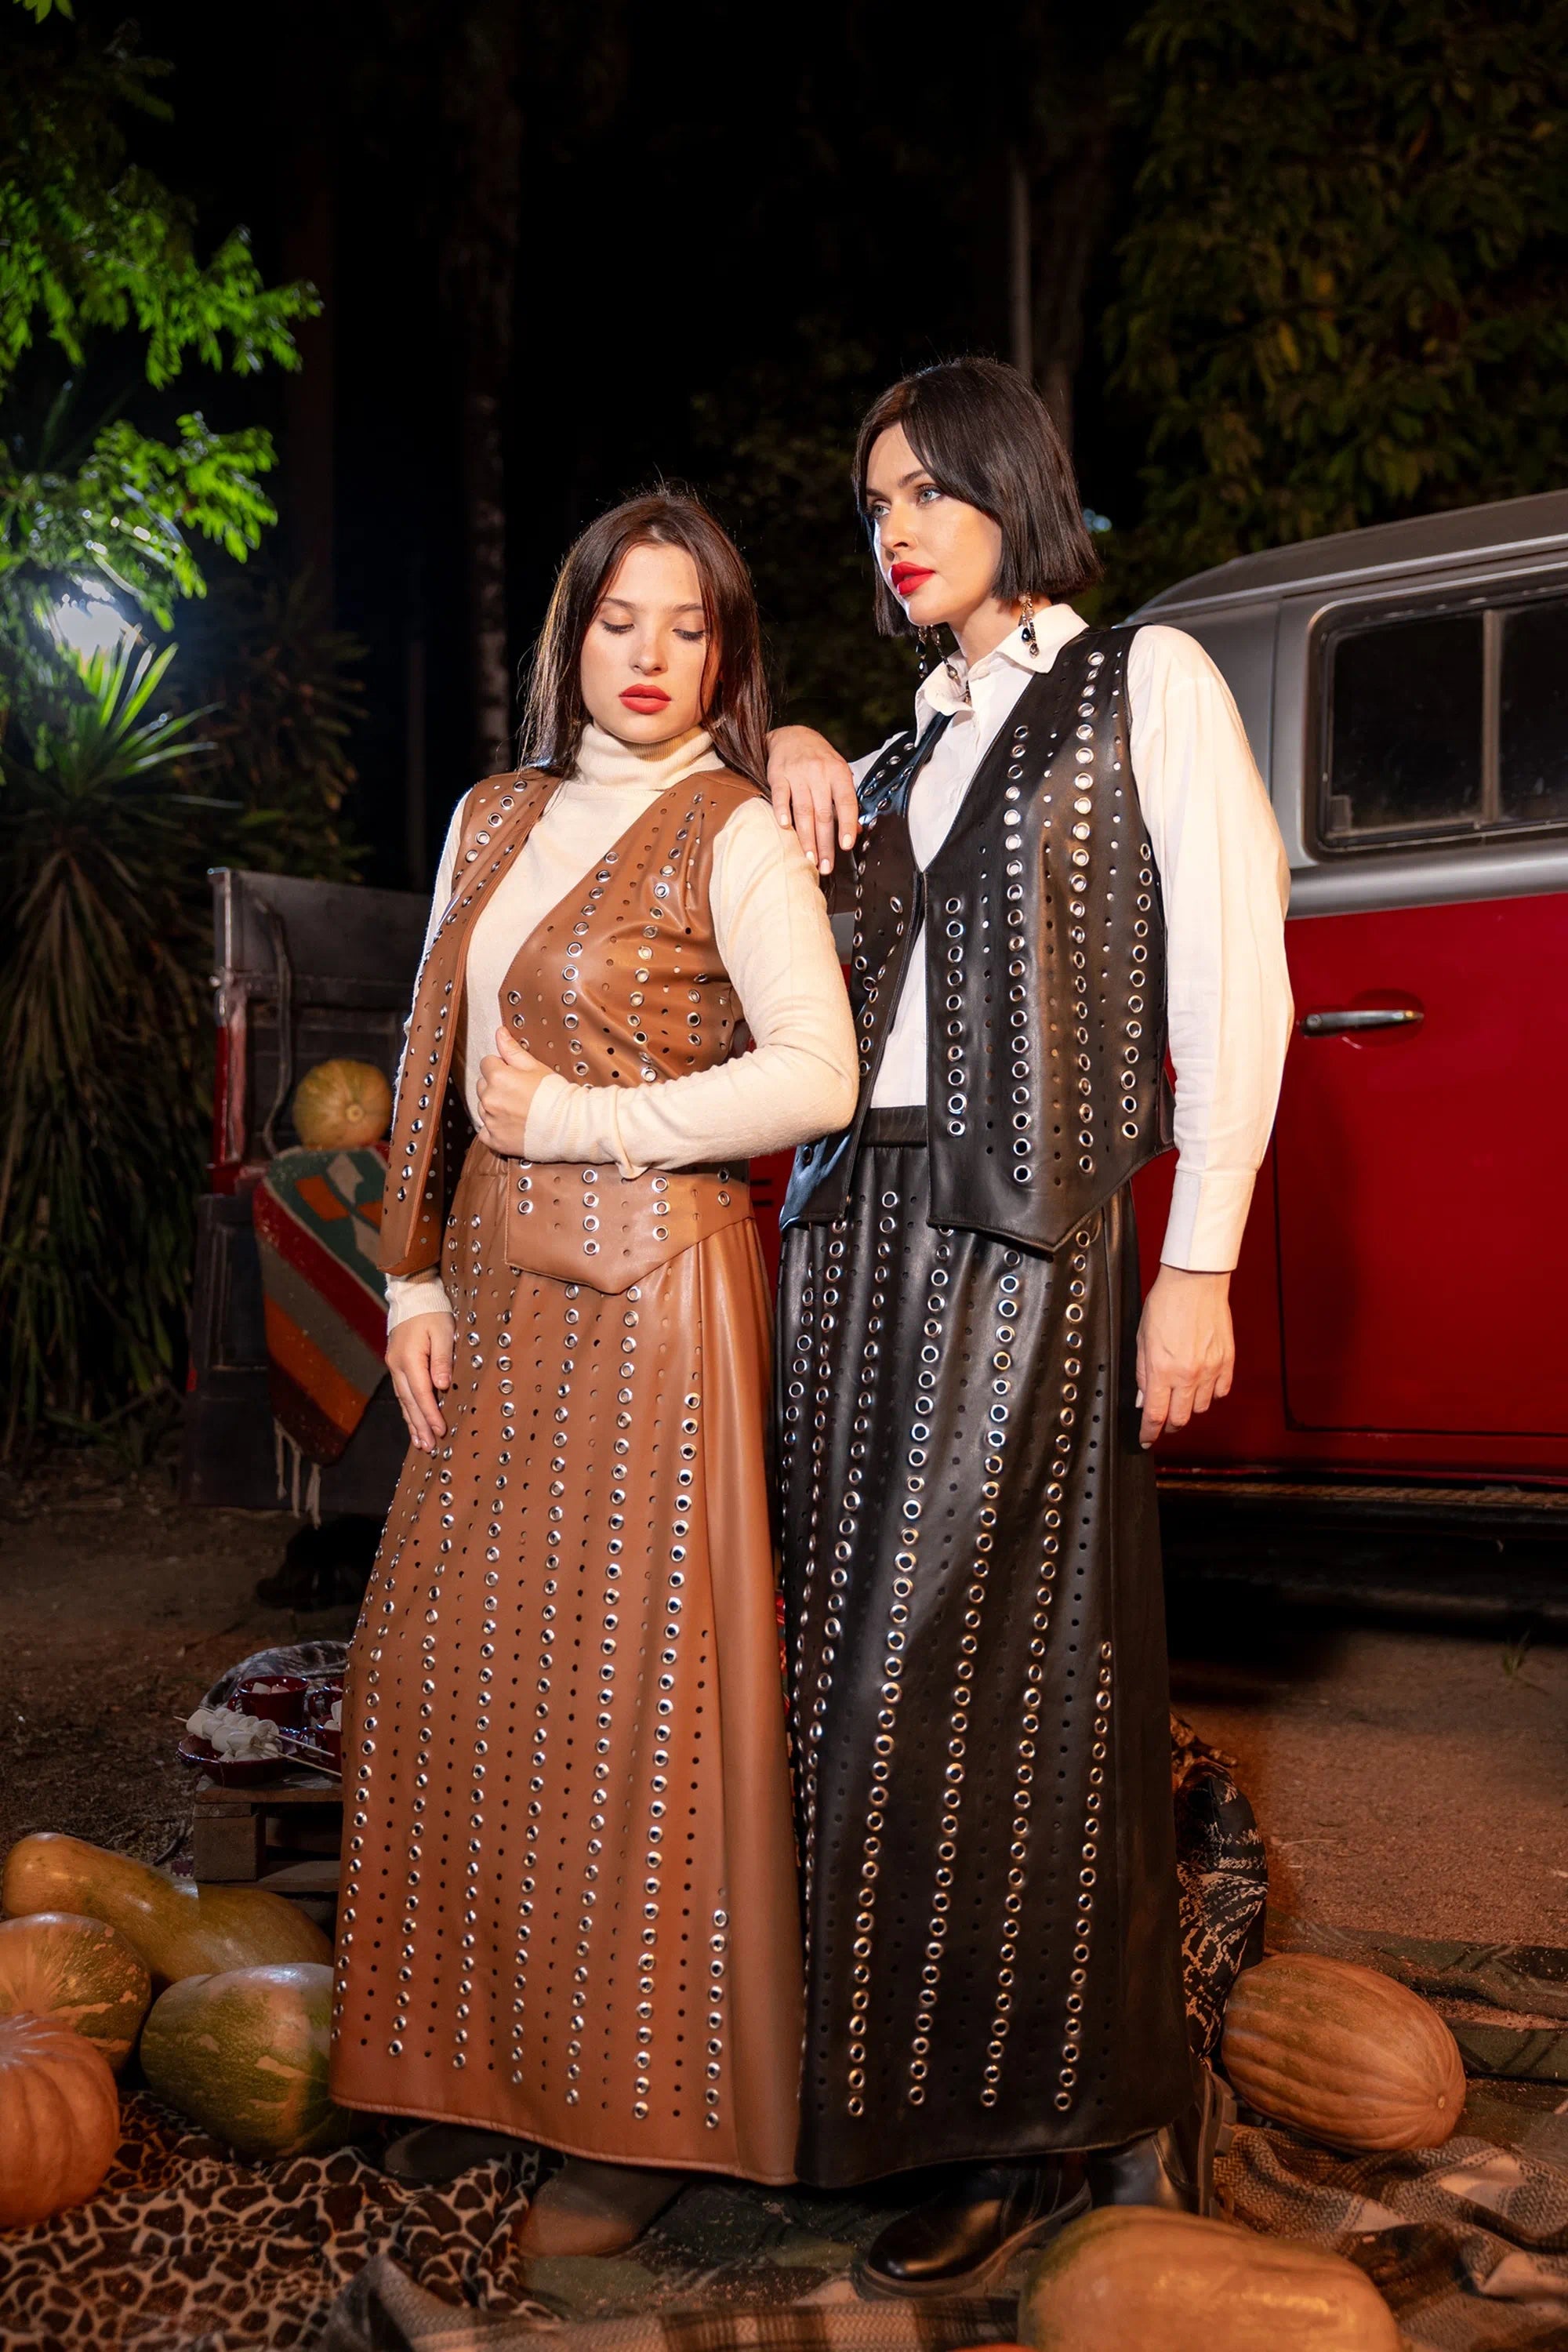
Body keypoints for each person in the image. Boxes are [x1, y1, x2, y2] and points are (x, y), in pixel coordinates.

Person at [765, 358, 1293, 2293]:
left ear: (1008, 487)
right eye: (869, 502)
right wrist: (798, 751)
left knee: (985, 1680)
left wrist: (1198, 1258)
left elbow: (1239, 970)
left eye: (921, 489)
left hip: (1025, 1233)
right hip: (849, 1241)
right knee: (864, 1688)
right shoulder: (901, 748)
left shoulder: (1139, 680)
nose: (892, 526)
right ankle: (919, 2096)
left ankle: (1043, 2120)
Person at [330, 491, 858, 2255]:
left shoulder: (736, 828)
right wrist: (407, 1277)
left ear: (728, 649)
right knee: (445, 1673)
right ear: (568, 636)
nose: (647, 657)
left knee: (632, 1714)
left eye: (686, 627)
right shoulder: (494, 815)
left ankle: (642, 2124)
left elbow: (817, 1076)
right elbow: (427, 1048)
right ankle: (471, 2067)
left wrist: (591, 1122)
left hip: (657, 1298)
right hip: (491, 1287)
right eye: (617, 621)